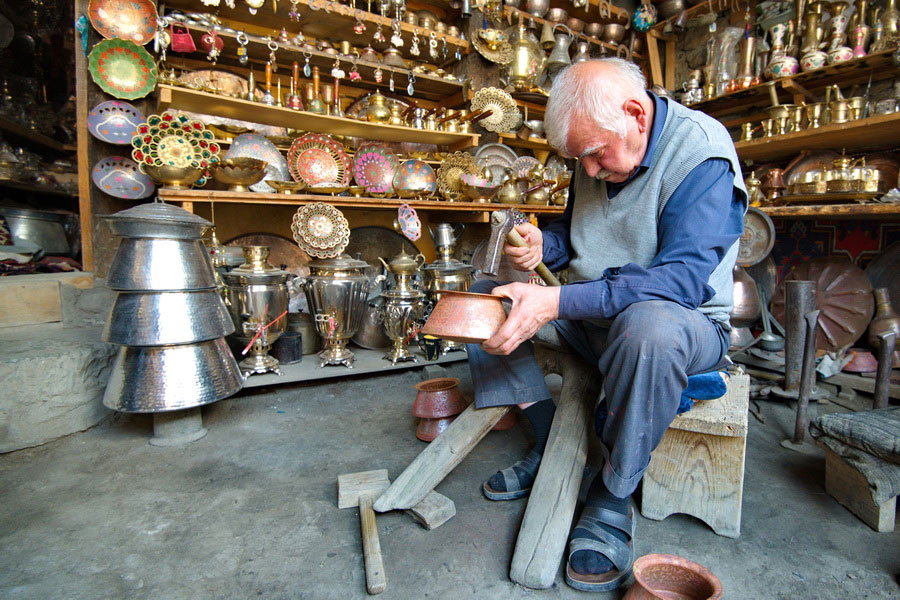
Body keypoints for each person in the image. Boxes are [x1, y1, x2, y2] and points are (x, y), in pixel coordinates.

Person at [466, 58, 747, 592]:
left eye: (595, 155)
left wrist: (556, 302)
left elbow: (682, 282)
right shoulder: (597, 148)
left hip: (680, 325)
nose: (590, 171)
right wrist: (541, 246)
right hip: (594, 312)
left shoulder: (701, 155)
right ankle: (552, 440)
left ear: (636, 115)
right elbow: (578, 238)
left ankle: (613, 494)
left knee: (649, 328)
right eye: (580, 159)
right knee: (481, 298)